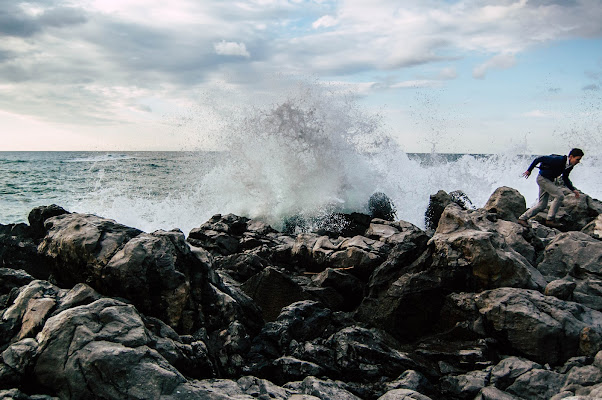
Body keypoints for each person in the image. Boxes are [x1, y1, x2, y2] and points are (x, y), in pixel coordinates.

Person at [517, 148, 584, 228]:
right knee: (560, 196)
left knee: (542, 205)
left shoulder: (569, 166)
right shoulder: (558, 160)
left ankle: (522, 218)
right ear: (571, 157)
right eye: (577, 159)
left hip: (548, 180)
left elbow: (565, 178)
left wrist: (573, 190)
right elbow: (539, 159)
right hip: (543, 179)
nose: (578, 162)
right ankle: (550, 219)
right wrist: (529, 170)